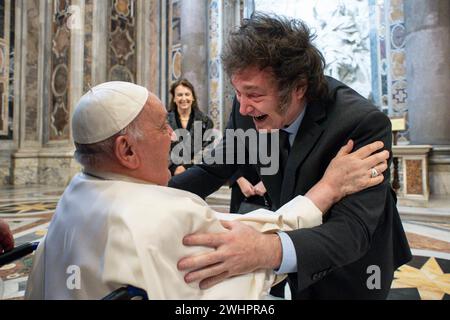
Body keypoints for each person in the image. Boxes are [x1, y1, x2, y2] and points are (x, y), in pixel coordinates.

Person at [25, 81, 387, 300]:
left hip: (355, 266)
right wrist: (328, 187)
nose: (172, 136)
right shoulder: (168, 213)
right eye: (161, 128)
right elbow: (255, 243)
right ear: (126, 150)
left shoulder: (75, 192)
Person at [170, 13, 412, 299]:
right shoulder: (247, 109)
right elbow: (213, 170)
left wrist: (266, 249)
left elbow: (352, 230)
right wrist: (148, 193)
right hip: (292, 254)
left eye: (254, 95)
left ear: (298, 88)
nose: (244, 108)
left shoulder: (360, 124)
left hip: (354, 263)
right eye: (237, 93)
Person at [168, 79, 214, 176]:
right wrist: (173, 168)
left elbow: (207, 149)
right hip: (170, 175)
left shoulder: (206, 121)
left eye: (187, 94)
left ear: (193, 97)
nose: (184, 98)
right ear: (174, 98)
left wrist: (186, 167)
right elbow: (159, 148)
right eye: (180, 95)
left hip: (196, 174)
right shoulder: (164, 121)